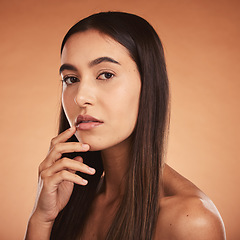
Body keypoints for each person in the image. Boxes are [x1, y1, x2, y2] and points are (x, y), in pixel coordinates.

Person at [25, 11, 226, 240]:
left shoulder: (192, 220)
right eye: (71, 79)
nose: (80, 97)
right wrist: (41, 219)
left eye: (106, 75)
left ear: (148, 84)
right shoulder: (69, 198)